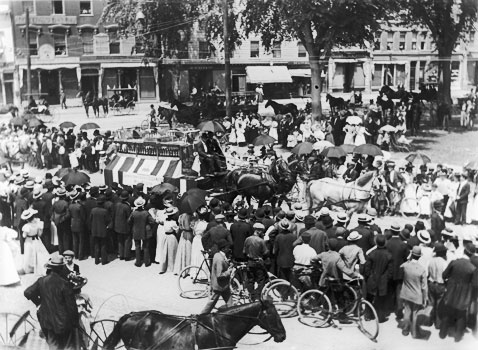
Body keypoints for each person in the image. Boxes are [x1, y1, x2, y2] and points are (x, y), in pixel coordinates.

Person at [24, 256, 80, 350]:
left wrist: (38, 302)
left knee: (53, 345)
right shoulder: (64, 284)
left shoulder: (41, 281)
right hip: (63, 323)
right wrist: (75, 323)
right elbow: (72, 307)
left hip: (47, 321)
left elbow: (27, 292)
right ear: (62, 268)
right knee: (67, 346)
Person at [440, 243, 478, 342]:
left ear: (464, 251)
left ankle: (442, 334)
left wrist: (450, 282)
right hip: (464, 295)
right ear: (472, 255)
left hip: (451, 292)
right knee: (461, 315)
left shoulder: (454, 262)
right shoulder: (473, 268)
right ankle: (457, 337)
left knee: (447, 312)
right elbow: (474, 284)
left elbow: (444, 275)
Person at [398, 246, 429, 339]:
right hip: (417, 295)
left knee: (407, 311)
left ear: (411, 255)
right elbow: (424, 287)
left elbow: (401, 266)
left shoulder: (405, 265)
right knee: (415, 313)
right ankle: (415, 333)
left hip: (406, 293)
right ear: (419, 257)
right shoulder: (422, 269)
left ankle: (405, 329)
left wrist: (408, 259)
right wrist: (425, 298)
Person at [364, 235, 393, 323]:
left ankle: (368, 315)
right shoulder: (389, 255)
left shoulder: (371, 254)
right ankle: (380, 317)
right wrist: (387, 278)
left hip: (372, 279)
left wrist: (368, 276)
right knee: (381, 299)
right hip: (383, 280)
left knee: (369, 297)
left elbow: (367, 269)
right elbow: (390, 271)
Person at [200, 239, 233, 313]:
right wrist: (228, 272)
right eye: (227, 247)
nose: (228, 249)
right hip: (219, 286)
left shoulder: (217, 255)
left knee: (230, 304)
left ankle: (232, 316)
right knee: (211, 304)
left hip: (223, 285)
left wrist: (228, 264)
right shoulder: (220, 259)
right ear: (223, 249)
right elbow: (219, 275)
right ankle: (202, 316)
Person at [243, 223, 269, 301]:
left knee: (250, 280)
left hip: (250, 262)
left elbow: (244, 251)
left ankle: (252, 295)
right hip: (259, 263)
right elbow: (265, 253)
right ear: (259, 231)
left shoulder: (247, 239)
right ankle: (257, 296)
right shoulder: (261, 241)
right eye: (262, 231)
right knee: (261, 280)